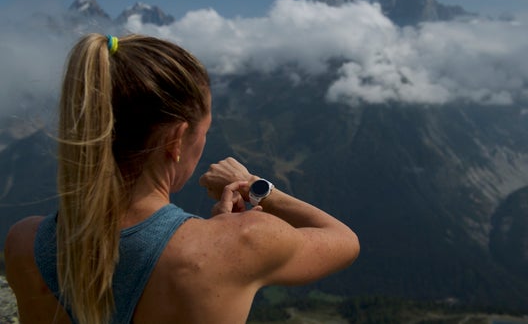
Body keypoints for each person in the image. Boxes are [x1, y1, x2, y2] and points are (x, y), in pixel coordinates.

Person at [4, 33, 359, 324]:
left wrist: (217, 234)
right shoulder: (244, 243)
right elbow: (343, 240)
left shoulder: (23, 242)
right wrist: (256, 188)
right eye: (204, 131)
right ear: (176, 140)